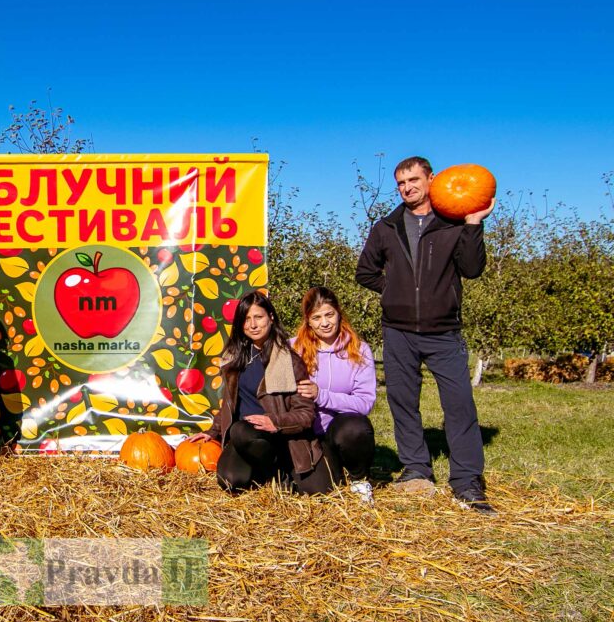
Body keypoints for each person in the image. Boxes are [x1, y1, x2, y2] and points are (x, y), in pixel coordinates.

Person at [356, 155, 496, 514]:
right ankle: (417, 469)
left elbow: (472, 269)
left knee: (459, 404)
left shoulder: (452, 223)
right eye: (401, 183)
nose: (407, 188)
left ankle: (466, 481)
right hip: (399, 330)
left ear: (431, 179)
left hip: (443, 330)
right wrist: (395, 291)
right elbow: (365, 272)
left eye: (414, 180)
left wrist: (473, 224)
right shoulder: (386, 227)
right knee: (403, 402)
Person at [184, 291, 331, 494]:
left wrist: (275, 422)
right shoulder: (234, 359)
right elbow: (229, 404)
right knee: (231, 479)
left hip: (282, 438)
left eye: (258, 317)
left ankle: (280, 467)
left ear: (271, 318)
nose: (253, 325)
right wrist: (212, 432)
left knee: (317, 490)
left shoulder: (288, 360)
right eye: (246, 319)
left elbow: (306, 415)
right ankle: (269, 472)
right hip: (247, 437)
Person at [291, 287, 377, 504]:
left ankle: (359, 478)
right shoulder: (294, 348)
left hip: (339, 429)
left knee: (355, 428)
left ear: (339, 314)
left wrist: (322, 396)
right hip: (307, 433)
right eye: (317, 317)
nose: (325, 323)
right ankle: (332, 468)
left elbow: (365, 402)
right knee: (316, 490)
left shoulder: (359, 350)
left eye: (329, 315)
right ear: (308, 321)